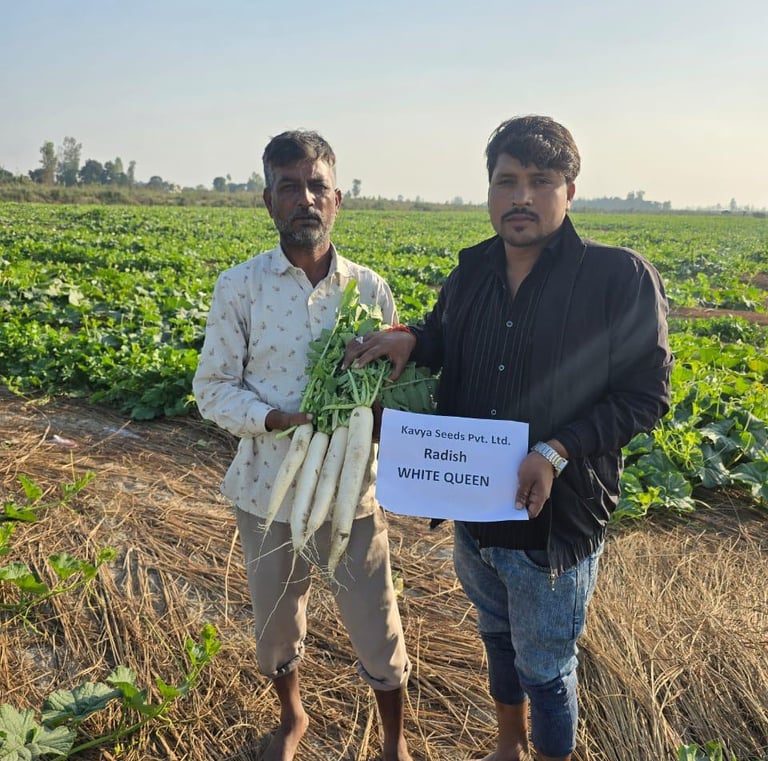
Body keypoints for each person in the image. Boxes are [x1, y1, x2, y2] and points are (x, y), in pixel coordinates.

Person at [343, 115, 672, 761]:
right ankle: (506, 747)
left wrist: (555, 450)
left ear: (569, 191)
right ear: (490, 190)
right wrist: (414, 338)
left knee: (547, 668)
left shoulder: (618, 278)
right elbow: (446, 336)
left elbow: (645, 395)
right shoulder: (471, 272)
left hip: (553, 521)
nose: (521, 196)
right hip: (475, 509)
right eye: (507, 180)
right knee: (495, 638)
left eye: (540, 181)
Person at [193, 130, 413, 761]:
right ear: (269, 201)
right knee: (275, 624)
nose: (305, 199)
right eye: (289, 187)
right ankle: (293, 718)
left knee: (377, 624)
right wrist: (276, 418)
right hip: (268, 486)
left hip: (352, 490)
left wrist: (372, 408)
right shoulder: (240, 287)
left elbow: (388, 383)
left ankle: (392, 742)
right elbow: (212, 389)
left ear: (337, 198)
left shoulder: (368, 289)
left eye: (317, 186)